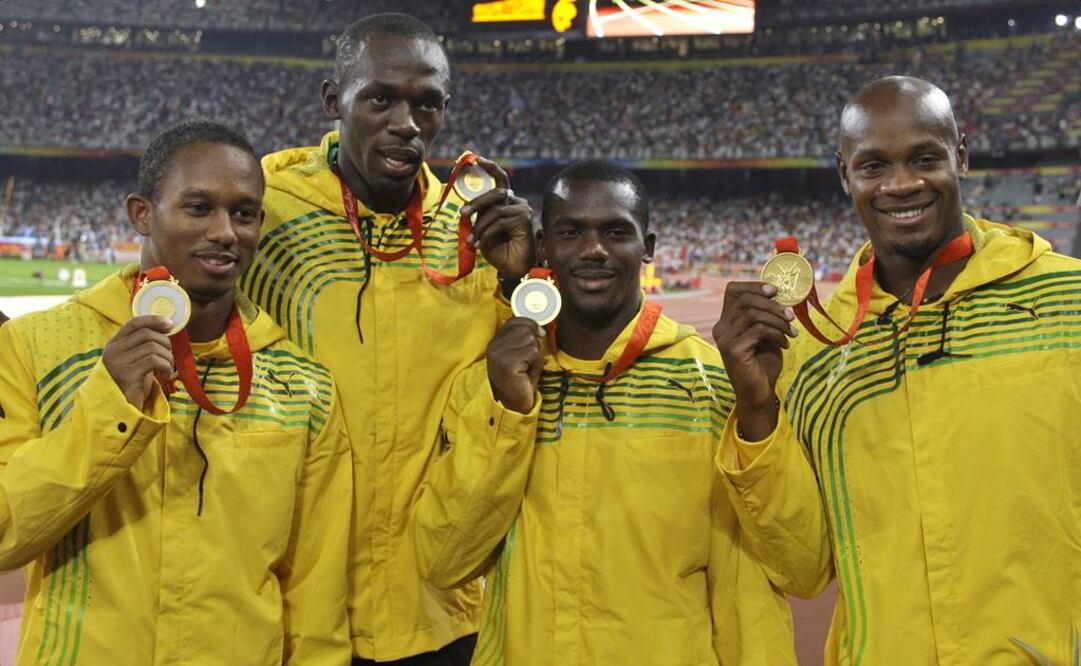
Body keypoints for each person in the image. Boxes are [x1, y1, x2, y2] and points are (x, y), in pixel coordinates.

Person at [713, 76, 1081, 664]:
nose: (902, 184)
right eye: (874, 165)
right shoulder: (817, 355)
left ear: (961, 155)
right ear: (844, 174)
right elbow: (803, 568)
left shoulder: (1068, 301)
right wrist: (757, 412)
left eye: (925, 158)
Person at [412, 161, 797, 665]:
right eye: (572, 232)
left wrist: (757, 412)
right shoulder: (492, 384)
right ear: (545, 245)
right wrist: (507, 413)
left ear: (649, 247)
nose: (593, 250)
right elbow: (443, 561)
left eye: (616, 232)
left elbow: (787, 572)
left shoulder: (714, 385)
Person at [239, 13, 535, 666]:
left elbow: (524, 387)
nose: (406, 122)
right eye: (380, 99)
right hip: (292, 610)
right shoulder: (264, 211)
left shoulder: (475, 227)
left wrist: (524, 283)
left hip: (437, 607)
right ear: (332, 100)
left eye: (425, 104)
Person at [0, 120, 352, 665]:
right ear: (142, 213)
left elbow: (314, 591)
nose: (225, 231)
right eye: (198, 208)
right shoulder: (33, 348)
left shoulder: (303, 384)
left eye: (243, 213)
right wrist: (110, 405)